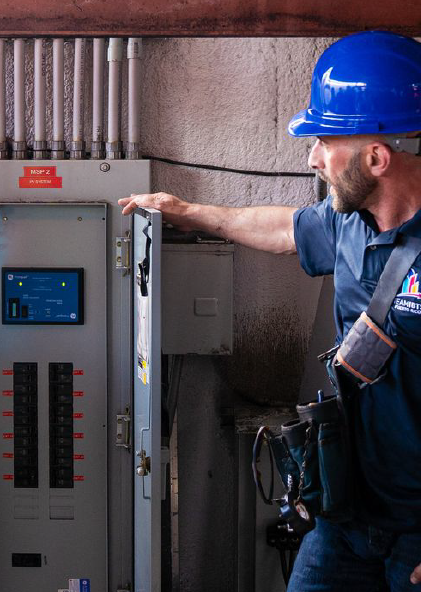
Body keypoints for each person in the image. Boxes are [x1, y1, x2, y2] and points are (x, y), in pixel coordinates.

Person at [119, 31, 421, 591]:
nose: (312, 159)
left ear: (377, 157)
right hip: (347, 513)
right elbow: (284, 228)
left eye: (325, 141)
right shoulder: (349, 224)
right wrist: (187, 211)